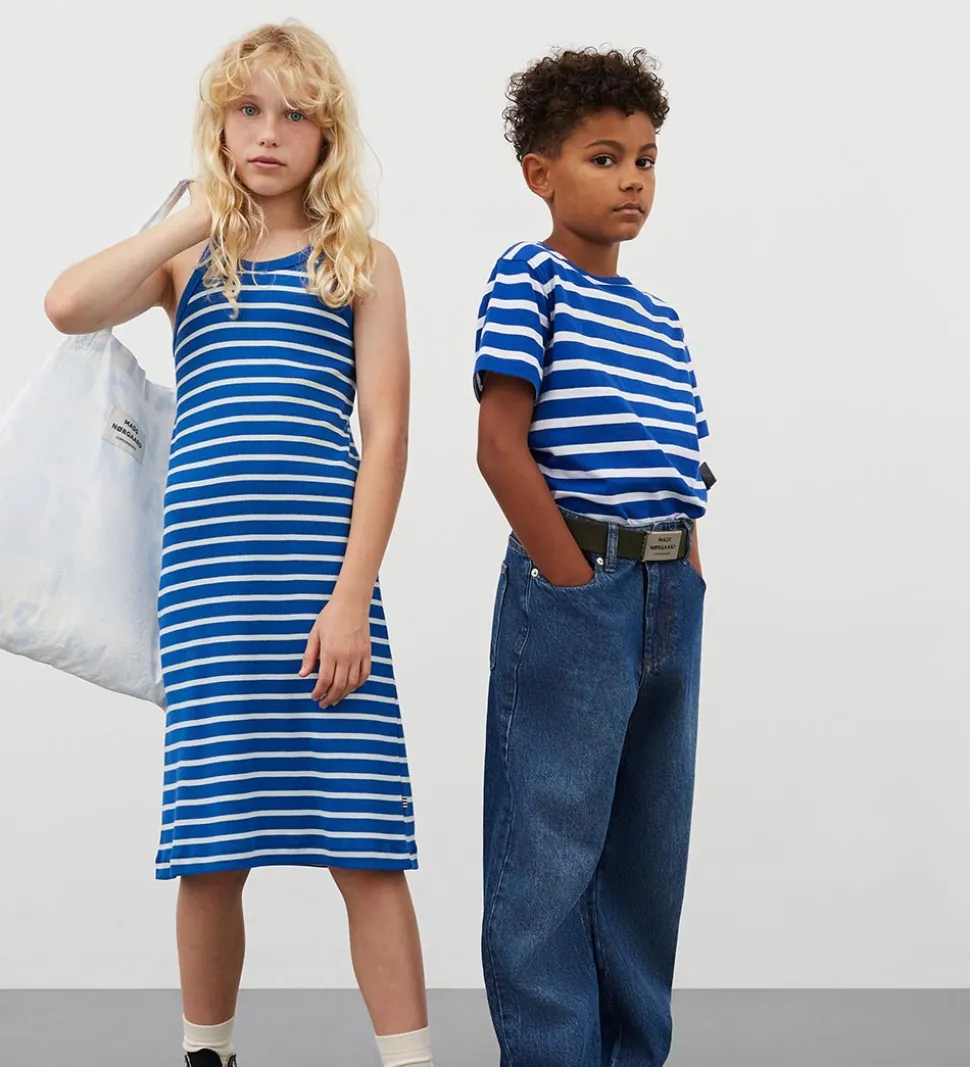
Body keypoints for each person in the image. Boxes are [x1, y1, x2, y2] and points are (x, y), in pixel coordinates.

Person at [44, 21, 435, 1067]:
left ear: (327, 136)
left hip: (321, 583)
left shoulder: (364, 263)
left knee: (367, 840)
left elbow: (387, 438)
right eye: (247, 110)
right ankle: (206, 1050)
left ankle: (411, 1058)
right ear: (218, 126)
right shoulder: (191, 258)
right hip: (209, 586)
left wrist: (351, 598)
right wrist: (188, 218)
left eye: (295, 114)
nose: (268, 133)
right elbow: (67, 305)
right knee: (211, 843)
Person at [473, 47, 712, 1067]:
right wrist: (569, 573)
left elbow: (682, 462)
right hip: (576, 587)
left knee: (648, 849)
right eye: (604, 158)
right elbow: (499, 444)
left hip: (668, 594)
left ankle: (632, 1054)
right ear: (540, 172)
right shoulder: (528, 277)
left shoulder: (660, 319)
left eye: (645, 160)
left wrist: (688, 566)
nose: (631, 181)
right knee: (549, 848)